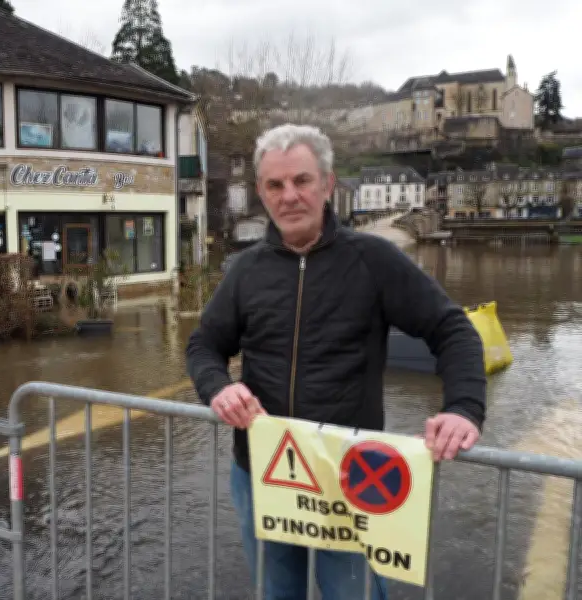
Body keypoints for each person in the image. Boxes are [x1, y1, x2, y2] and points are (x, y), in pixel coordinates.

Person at [185, 123, 487, 600]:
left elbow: (452, 329)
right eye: (275, 184)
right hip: (263, 470)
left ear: (328, 184)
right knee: (278, 592)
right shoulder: (246, 270)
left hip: (351, 479)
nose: (289, 196)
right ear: (262, 192)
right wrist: (218, 387)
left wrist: (463, 407)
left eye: (302, 180)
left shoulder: (374, 260)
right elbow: (204, 345)